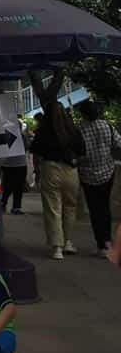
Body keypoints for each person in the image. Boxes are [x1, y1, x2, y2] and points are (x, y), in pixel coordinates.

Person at [30, 101, 84, 260]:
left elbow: (36, 152)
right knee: (70, 207)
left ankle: (57, 248)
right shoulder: (73, 130)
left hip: (50, 168)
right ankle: (68, 241)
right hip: (70, 170)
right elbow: (81, 151)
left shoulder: (44, 131)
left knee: (53, 208)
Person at [76, 100, 118, 257]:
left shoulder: (80, 130)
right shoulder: (107, 126)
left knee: (95, 209)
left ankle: (101, 244)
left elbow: (77, 152)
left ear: (84, 114)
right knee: (105, 207)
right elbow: (118, 143)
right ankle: (107, 241)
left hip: (87, 175)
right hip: (107, 172)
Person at [0, 117, 28, 214]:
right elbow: (26, 147)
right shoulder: (21, 135)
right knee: (16, 186)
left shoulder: (5, 135)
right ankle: (14, 207)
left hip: (9, 164)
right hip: (18, 164)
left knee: (9, 185)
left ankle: (5, 203)